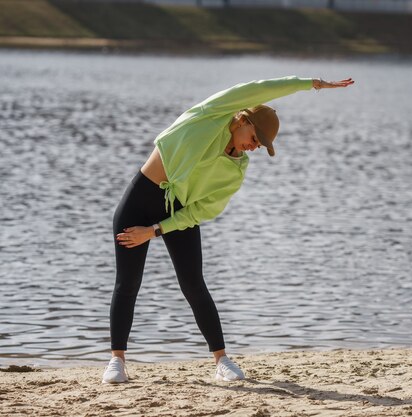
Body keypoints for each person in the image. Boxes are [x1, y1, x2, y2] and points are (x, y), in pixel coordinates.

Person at [102, 76, 354, 384]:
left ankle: (222, 361)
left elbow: (200, 210)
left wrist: (154, 231)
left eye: (261, 144)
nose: (256, 145)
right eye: (255, 136)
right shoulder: (211, 114)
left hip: (179, 210)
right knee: (128, 283)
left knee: (194, 284)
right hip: (141, 197)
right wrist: (310, 84)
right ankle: (116, 361)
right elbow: (260, 89)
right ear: (242, 118)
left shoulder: (236, 170)